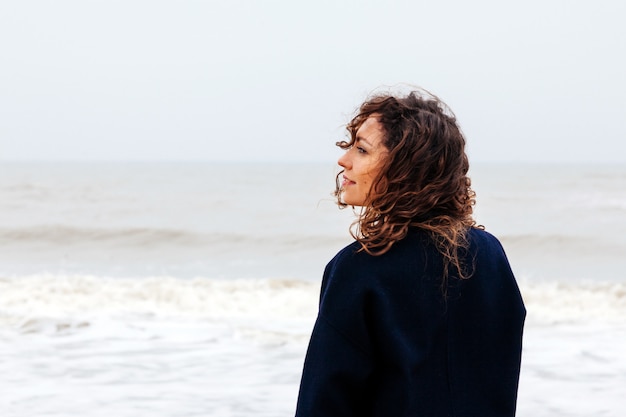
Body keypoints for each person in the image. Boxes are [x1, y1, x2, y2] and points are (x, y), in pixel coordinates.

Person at [294, 89, 526, 417]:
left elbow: (324, 401)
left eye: (361, 149)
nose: (343, 160)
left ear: (405, 167)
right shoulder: (489, 255)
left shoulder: (359, 269)